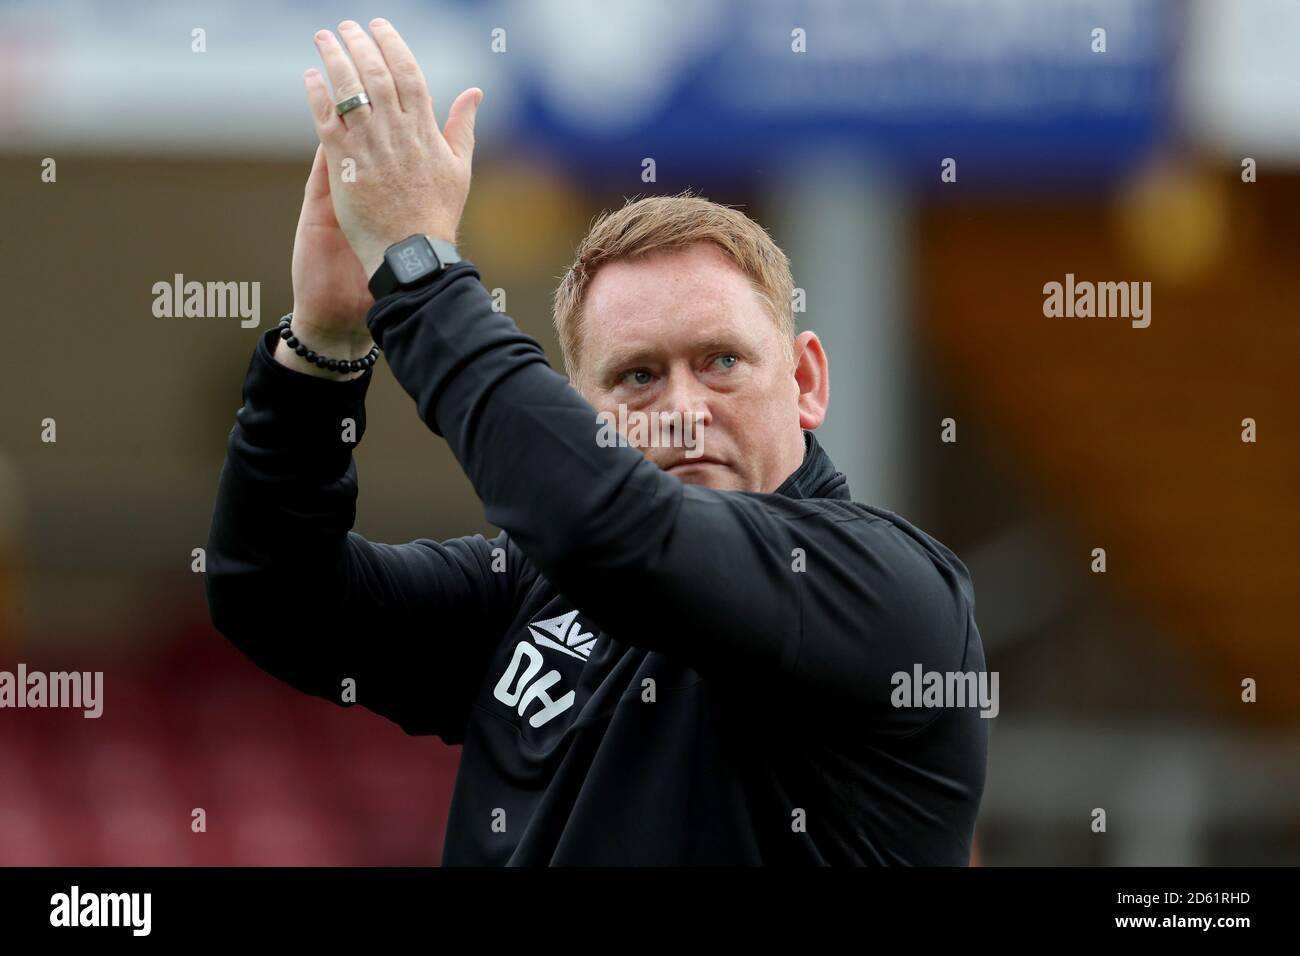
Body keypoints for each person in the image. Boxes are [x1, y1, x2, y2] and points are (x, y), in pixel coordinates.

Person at [204, 18, 988, 865]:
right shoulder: (532, 591)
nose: (683, 407)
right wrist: (324, 344)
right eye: (637, 376)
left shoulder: (889, 591)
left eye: (721, 361)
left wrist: (415, 267)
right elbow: (273, 596)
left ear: (805, 382)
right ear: (587, 412)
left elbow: (611, 529)